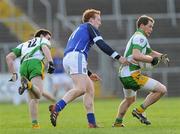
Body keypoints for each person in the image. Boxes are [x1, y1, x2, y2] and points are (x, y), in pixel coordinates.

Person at [49, 8, 129, 128]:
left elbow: (75, 49)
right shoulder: (89, 26)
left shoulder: (80, 29)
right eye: (98, 20)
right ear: (91, 20)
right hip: (76, 56)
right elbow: (101, 44)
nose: (100, 23)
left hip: (69, 58)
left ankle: (91, 123)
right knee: (81, 89)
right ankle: (57, 107)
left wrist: (89, 73)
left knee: (89, 89)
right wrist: (118, 57)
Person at [112, 15, 169, 127]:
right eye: (149, 26)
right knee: (162, 90)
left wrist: (162, 56)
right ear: (142, 25)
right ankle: (139, 111)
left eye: (152, 27)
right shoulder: (140, 38)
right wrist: (152, 60)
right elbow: (137, 55)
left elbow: (150, 52)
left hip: (124, 74)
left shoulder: (138, 37)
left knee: (129, 100)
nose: (151, 29)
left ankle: (118, 123)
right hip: (132, 75)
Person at [6, 29, 55, 128]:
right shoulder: (43, 40)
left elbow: (9, 57)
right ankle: (28, 85)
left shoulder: (24, 44)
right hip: (35, 63)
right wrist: (51, 63)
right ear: (42, 35)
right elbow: (45, 47)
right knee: (37, 96)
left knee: (32, 98)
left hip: (23, 66)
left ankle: (35, 124)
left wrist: (14, 74)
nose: (49, 39)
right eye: (48, 37)